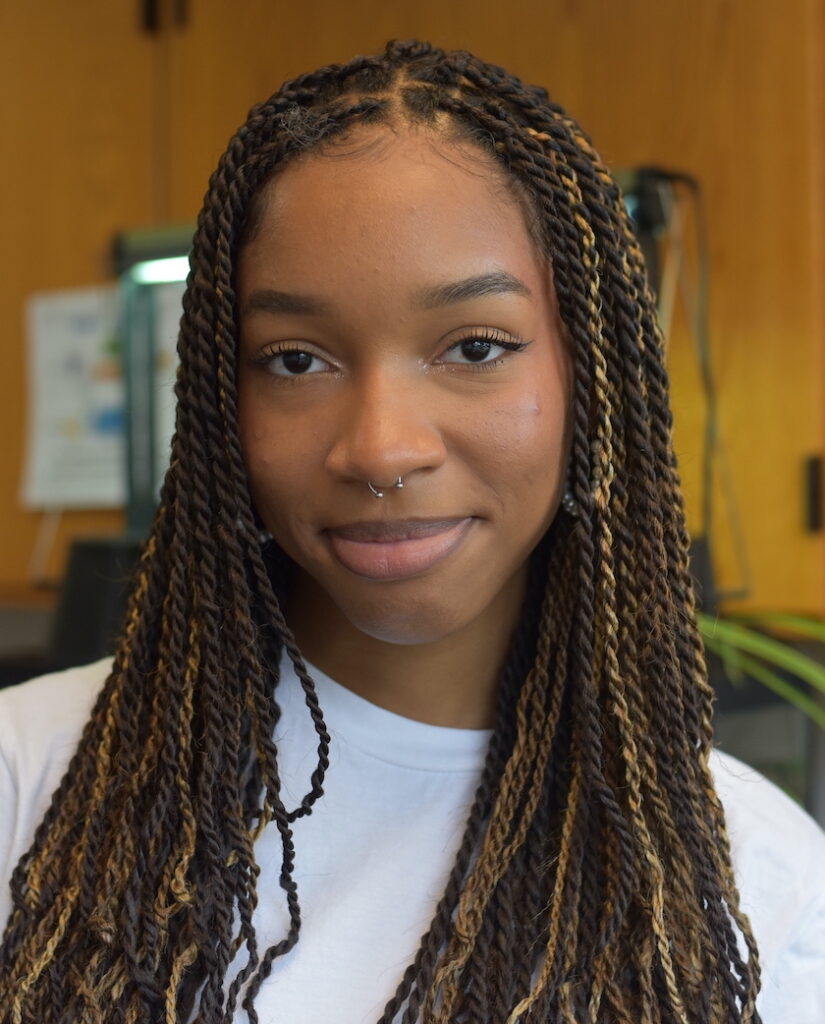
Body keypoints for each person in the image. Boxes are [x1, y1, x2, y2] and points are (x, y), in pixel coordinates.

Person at [0, 39, 823, 1024]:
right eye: (296, 360)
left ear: (590, 383)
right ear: (224, 398)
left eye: (476, 346)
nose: (381, 447)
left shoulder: (758, 887)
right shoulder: (29, 780)